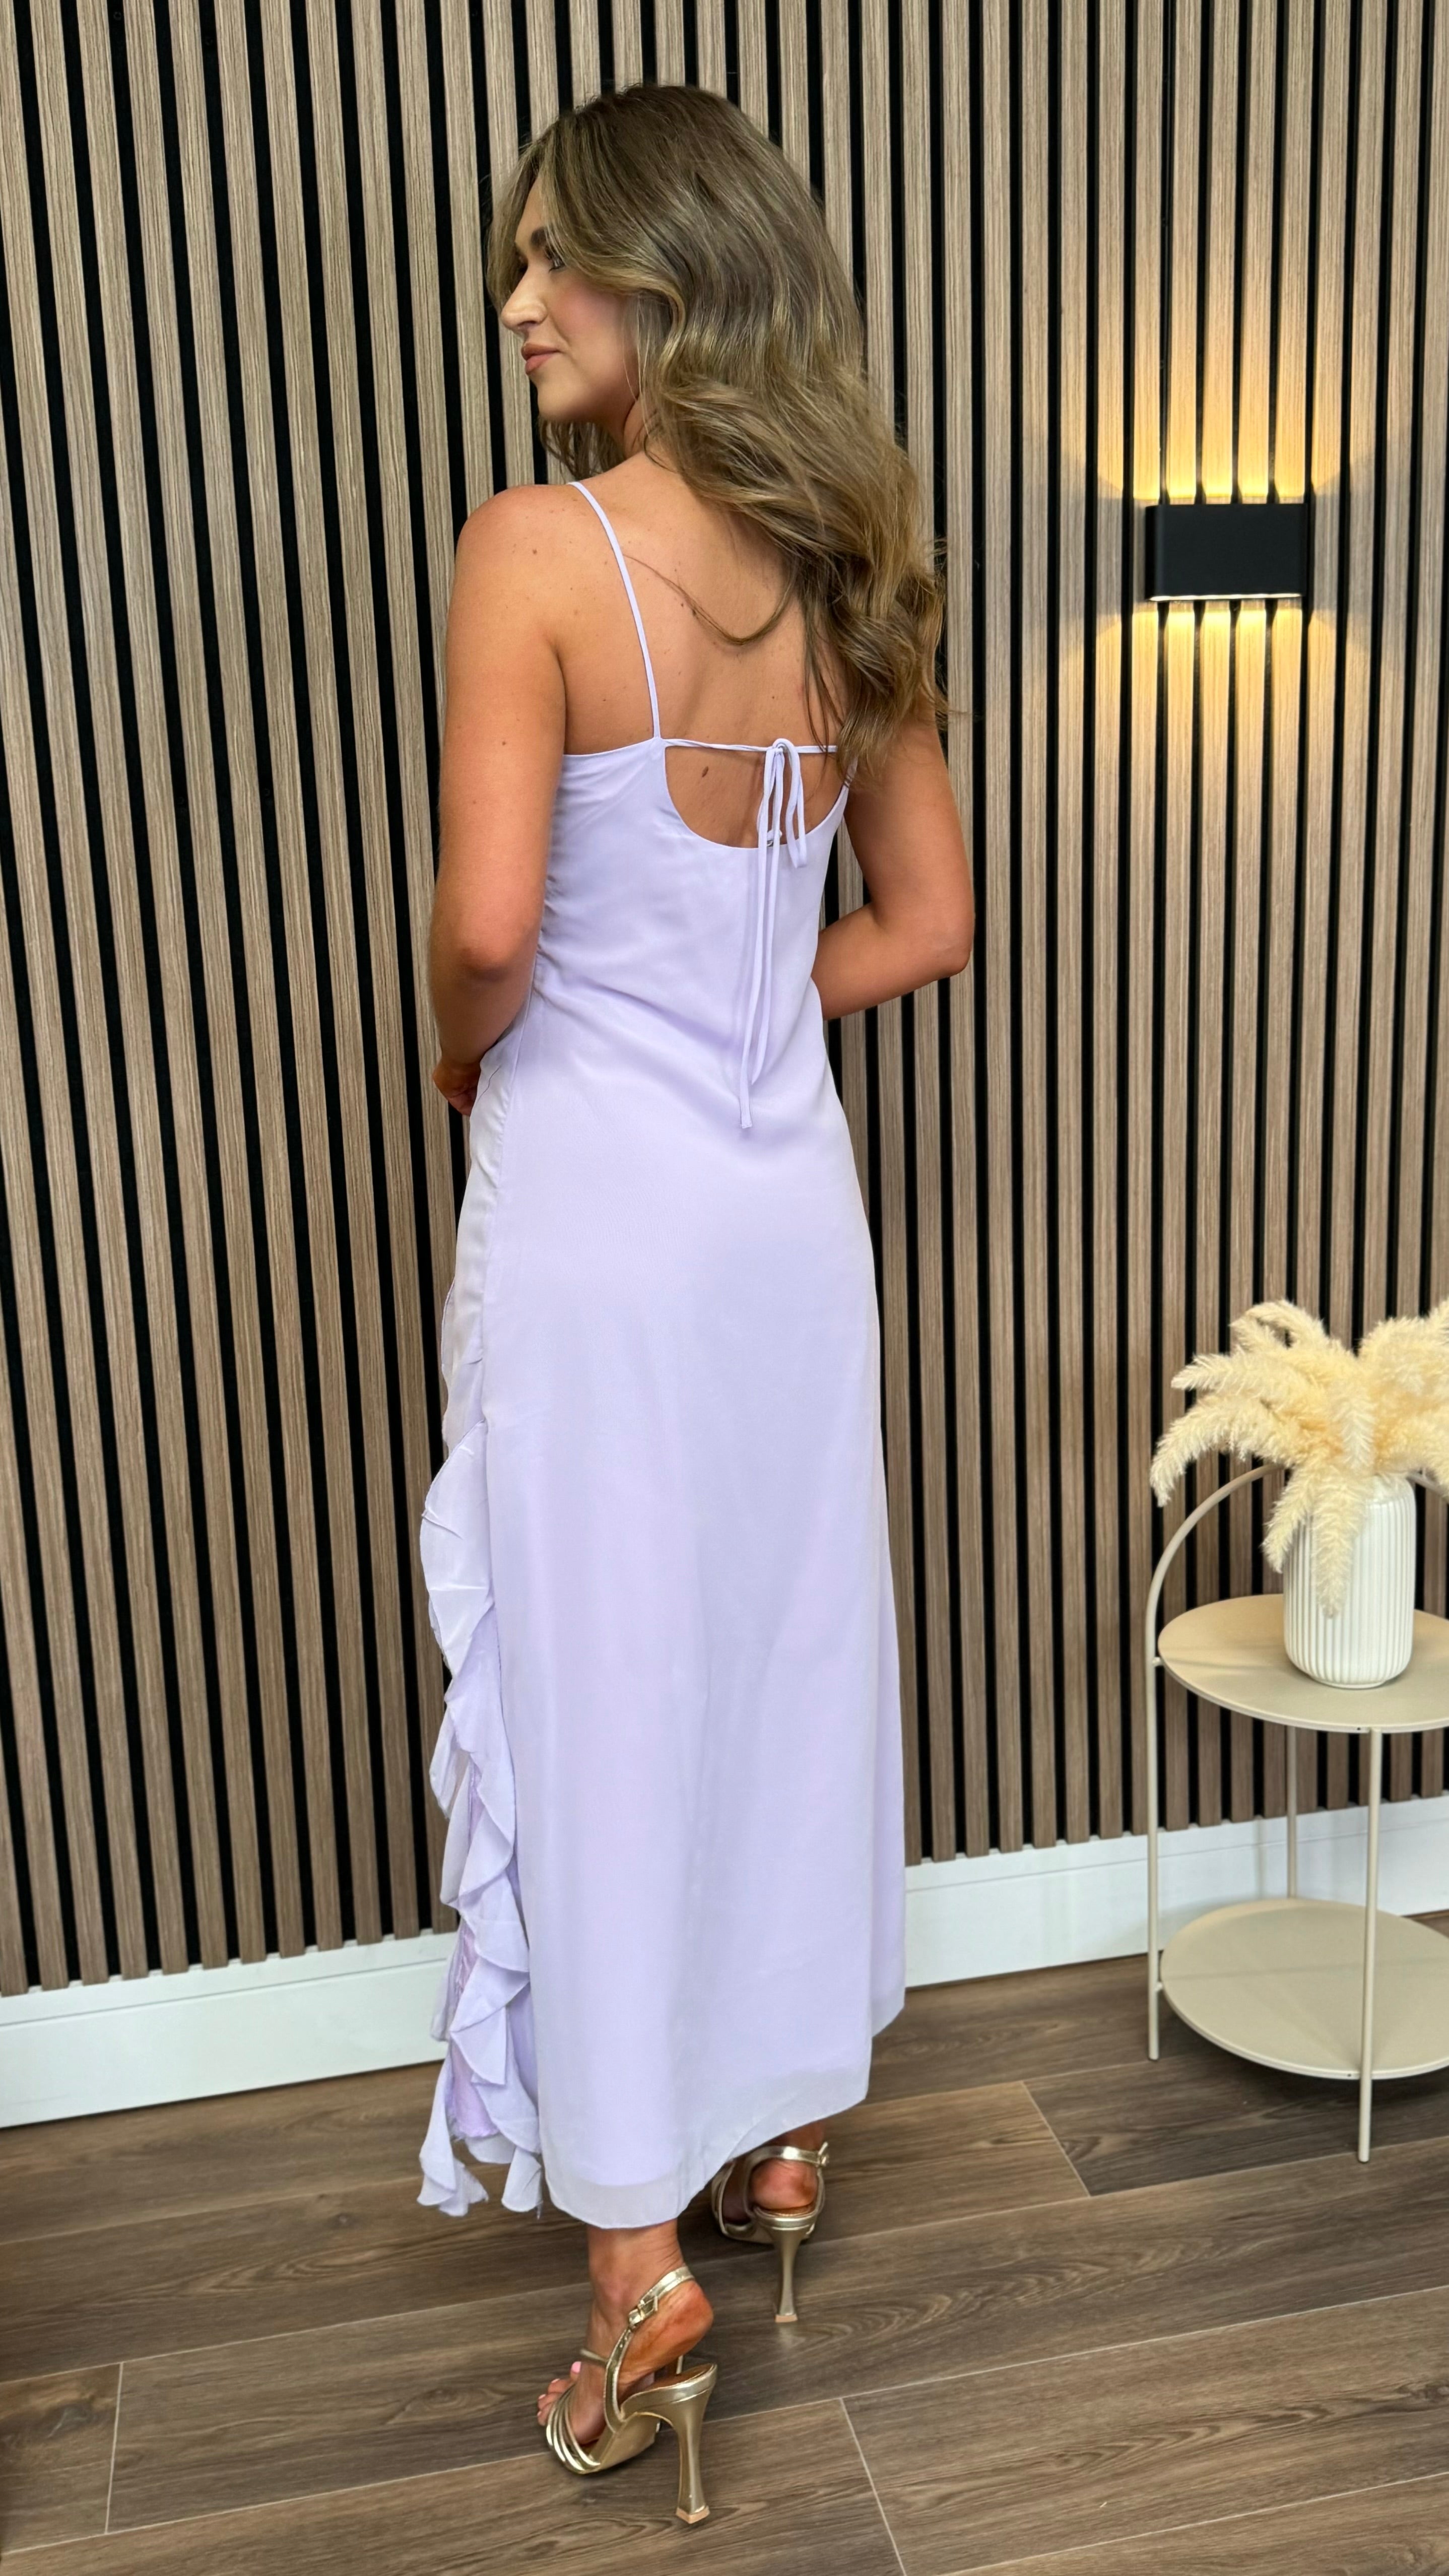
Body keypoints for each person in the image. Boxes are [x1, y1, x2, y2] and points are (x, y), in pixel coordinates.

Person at [417, 82, 973, 2527]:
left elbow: (487, 927)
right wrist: (748, 999)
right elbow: (927, 924)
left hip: (600, 1233)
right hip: (778, 1230)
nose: (518, 301)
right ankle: (775, 2138)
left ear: (674, 274)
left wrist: (470, 1056)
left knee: (602, 1688)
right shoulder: (853, 563)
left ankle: (636, 2273)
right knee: (767, 1648)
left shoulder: (534, 550)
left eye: (555, 258)